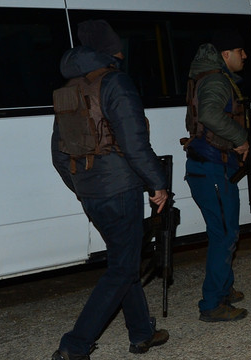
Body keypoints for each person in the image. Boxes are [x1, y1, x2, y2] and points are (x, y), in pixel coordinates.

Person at [51, 20, 169, 359]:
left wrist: (82, 188)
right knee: (123, 268)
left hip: (91, 193)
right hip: (120, 189)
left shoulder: (69, 89)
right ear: (111, 51)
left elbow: (59, 154)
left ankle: (142, 333)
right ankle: (75, 345)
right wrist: (157, 182)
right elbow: (134, 143)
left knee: (124, 260)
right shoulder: (115, 82)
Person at [183, 29, 251, 322]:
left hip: (211, 169)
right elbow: (210, 116)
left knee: (227, 233)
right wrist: (241, 138)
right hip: (212, 169)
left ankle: (224, 289)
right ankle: (212, 304)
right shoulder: (216, 79)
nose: (245, 55)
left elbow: (225, 112)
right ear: (225, 54)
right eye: (240, 51)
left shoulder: (212, 78)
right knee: (223, 235)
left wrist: (249, 121)